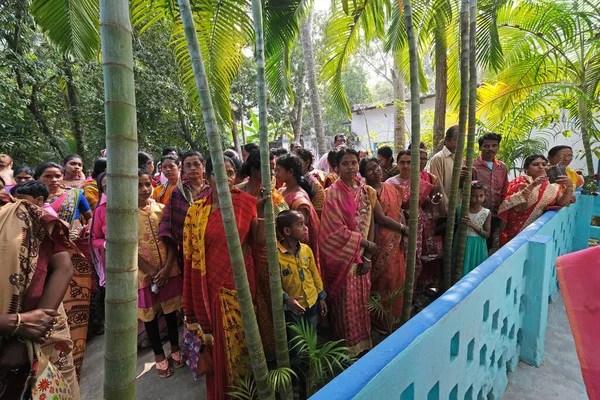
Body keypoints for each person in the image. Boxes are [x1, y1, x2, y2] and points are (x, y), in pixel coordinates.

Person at [183, 156, 267, 399]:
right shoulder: (196, 212)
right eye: (219, 173)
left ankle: (249, 390)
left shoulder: (247, 202)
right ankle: (227, 392)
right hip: (211, 288)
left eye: (230, 173)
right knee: (218, 342)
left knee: (244, 339)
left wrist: (261, 212)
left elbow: (258, 241)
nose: (226, 178)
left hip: (239, 283)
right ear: (208, 177)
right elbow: (191, 257)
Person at [0, 194, 80, 399]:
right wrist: (14, 323)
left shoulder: (21, 213)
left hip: (41, 335)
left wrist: (24, 338)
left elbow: (62, 266)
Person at [35, 161, 93, 378]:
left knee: (77, 309)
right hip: (44, 261)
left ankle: (75, 361)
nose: (54, 180)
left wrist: (82, 231)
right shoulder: (31, 202)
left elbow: (90, 218)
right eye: (48, 176)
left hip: (75, 253)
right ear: (38, 178)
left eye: (57, 176)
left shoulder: (75, 195)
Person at [319, 148, 377, 356]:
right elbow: (333, 232)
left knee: (361, 302)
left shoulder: (365, 191)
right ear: (336, 167)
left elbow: (371, 223)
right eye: (345, 163)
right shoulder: (332, 194)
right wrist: (364, 244)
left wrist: (367, 255)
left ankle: (363, 344)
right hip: (343, 259)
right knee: (345, 306)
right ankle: (346, 351)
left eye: (354, 162)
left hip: (362, 256)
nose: (351, 167)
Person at [236, 149, 288, 356]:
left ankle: (278, 350)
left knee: (275, 302)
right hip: (248, 257)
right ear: (255, 170)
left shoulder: (273, 194)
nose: (273, 175)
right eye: (269, 170)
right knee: (256, 305)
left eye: (275, 170)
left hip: (272, 255)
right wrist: (256, 210)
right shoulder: (239, 194)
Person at [137, 170, 184, 378]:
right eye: (138, 185)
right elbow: (127, 249)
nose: (144, 189)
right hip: (143, 275)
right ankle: (158, 355)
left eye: (147, 184)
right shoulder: (123, 216)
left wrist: (166, 269)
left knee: (171, 312)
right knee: (150, 317)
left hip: (169, 269)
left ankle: (175, 348)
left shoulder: (162, 209)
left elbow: (172, 240)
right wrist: (151, 271)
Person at [276, 210, 326, 398]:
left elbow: (314, 273)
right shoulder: (276, 256)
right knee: (297, 348)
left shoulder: (306, 249)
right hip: (293, 311)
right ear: (287, 231)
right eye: (300, 225)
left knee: (311, 340)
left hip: (311, 304)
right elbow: (273, 284)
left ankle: (311, 378)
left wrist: (321, 297)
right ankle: (297, 382)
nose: (305, 228)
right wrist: (286, 299)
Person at [360, 157, 408, 333]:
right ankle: (381, 322)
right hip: (379, 240)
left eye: (377, 167)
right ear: (364, 174)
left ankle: (396, 319)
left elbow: (399, 210)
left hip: (397, 239)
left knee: (398, 278)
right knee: (383, 281)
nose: (376, 171)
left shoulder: (391, 187)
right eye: (370, 170)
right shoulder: (366, 192)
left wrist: (404, 234)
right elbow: (379, 218)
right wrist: (403, 228)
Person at [387, 150, 444, 279]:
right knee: (399, 259)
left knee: (415, 259)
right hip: (397, 226)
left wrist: (434, 200)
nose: (406, 166)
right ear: (397, 164)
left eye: (409, 162)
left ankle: (413, 293)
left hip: (417, 226)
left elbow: (426, 204)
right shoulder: (390, 183)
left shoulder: (418, 181)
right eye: (402, 162)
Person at [499, 154, 574, 245]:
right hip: (516, 225)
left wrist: (569, 186)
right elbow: (511, 202)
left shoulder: (553, 185)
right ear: (526, 169)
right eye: (535, 164)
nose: (541, 167)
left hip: (540, 227)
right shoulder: (520, 181)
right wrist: (533, 185)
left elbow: (562, 202)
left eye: (543, 164)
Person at [159, 151, 209, 272]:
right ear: (183, 169)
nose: (192, 168)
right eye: (188, 165)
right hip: (187, 248)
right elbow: (170, 225)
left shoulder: (212, 190)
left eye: (196, 164)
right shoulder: (177, 193)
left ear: (203, 166)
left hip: (210, 245)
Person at [276, 154, 321, 273]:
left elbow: (301, 234)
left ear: (290, 172)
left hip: (293, 253)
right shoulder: (281, 191)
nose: (275, 174)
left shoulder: (299, 200)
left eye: (278, 170)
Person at [471, 133, 509, 251]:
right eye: (486, 146)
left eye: (494, 145)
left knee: (488, 243)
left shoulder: (502, 167)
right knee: (474, 242)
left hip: (495, 213)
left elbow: (504, 189)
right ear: (480, 148)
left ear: (498, 147)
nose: (490, 149)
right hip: (476, 213)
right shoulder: (473, 166)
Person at [454, 181, 491, 276]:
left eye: (481, 196)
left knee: (476, 270)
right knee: (460, 269)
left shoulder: (486, 212)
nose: (478, 199)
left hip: (477, 245)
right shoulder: (460, 209)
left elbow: (487, 235)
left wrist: (472, 225)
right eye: (474, 196)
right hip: (462, 242)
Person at [89, 172, 107, 337]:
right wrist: (106, 244)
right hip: (114, 263)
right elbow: (95, 239)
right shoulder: (100, 211)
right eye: (107, 186)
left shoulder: (140, 204)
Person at [294, 148, 326, 217]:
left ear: (307, 162)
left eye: (297, 162)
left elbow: (318, 212)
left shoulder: (315, 185)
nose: (294, 165)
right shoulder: (292, 181)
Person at [429, 125, 459, 199]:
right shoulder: (438, 158)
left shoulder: (460, 158)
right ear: (447, 140)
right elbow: (437, 186)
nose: (459, 143)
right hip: (445, 205)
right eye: (456, 139)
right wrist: (445, 205)